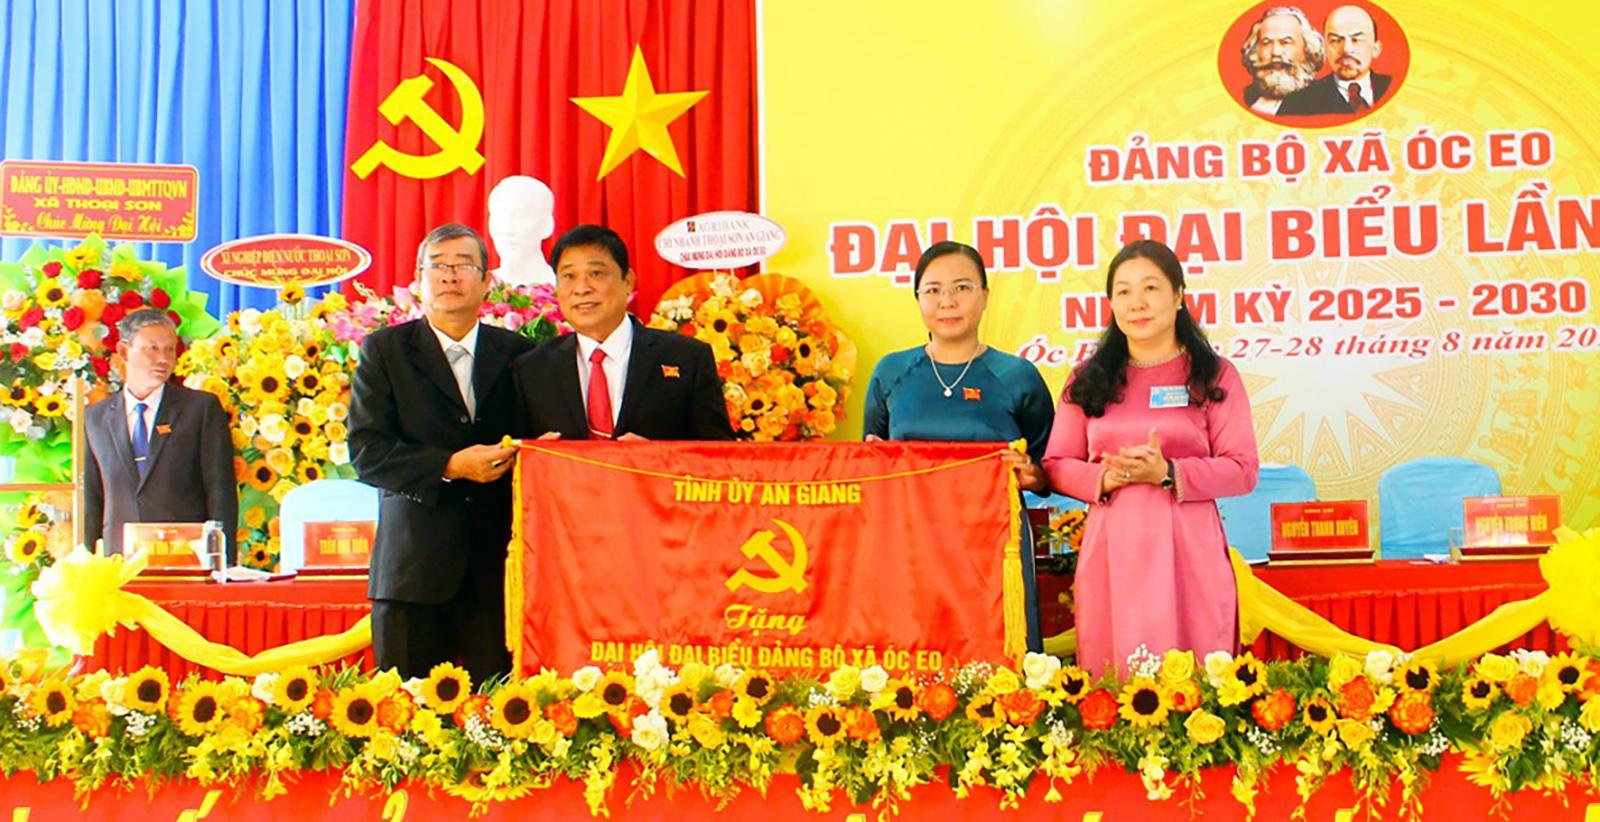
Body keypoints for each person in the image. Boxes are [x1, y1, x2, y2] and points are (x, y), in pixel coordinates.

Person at [1042, 239, 1258, 675]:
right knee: (1116, 675)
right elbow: (1056, 464)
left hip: (1189, 544)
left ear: (1178, 296)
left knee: (1196, 674)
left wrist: (1168, 471)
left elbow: (1242, 469)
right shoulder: (1087, 380)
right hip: (1113, 545)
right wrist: (1105, 478)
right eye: (1123, 291)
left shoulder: (1213, 374)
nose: (1136, 303)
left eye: (1151, 288)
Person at [350, 222, 536, 680]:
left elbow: (540, 443)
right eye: (437, 266)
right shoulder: (385, 350)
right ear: (419, 279)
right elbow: (367, 450)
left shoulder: (521, 354)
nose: (450, 276)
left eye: (464, 265)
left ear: (487, 281)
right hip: (413, 571)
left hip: (499, 571)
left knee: (502, 710)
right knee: (406, 714)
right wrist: (450, 466)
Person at [862, 241, 1054, 650]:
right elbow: (870, 458)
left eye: (962, 288)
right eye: (933, 290)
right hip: (910, 541)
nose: (947, 301)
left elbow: (1048, 467)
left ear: (985, 296)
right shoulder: (891, 372)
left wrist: (1032, 474)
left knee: (999, 655)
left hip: (993, 545)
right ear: (918, 299)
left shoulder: (1017, 375)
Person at [512, 224, 734, 441]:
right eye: (569, 276)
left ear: (627, 281)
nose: (582, 288)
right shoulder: (533, 368)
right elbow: (513, 452)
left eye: (596, 273)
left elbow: (720, 456)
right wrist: (532, 455)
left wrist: (660, 458)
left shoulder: (688, 359)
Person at [83, 309, 238, 559]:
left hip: (185, 556)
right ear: (124, 351)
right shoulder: (96, 418)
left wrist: (223, 560)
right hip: (118, 561)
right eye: (152, 348)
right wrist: (88, 562)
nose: (163, 358)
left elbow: (220, 491)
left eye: (170, 349)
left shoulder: (199, 409)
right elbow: (92, 499)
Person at [1277, 4, 1390, 116]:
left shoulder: (1392, 88)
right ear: (1325, 48)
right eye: (1335, 40)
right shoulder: (1298, 102)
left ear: (1376, 49)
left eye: (1356, 40)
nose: (1346, 49)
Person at [1239, 6, 1324, 116]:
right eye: (1266, 43)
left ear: (1307, 49)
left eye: (1285, 42)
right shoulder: (1247, 96)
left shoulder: (1322, 100)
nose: (1276, 52)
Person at [487, 175, 556, 287]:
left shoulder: (563, 286)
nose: (507, 230)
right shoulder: (477, 289)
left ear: (547, 225)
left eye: (520, 217)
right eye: (500, 217)